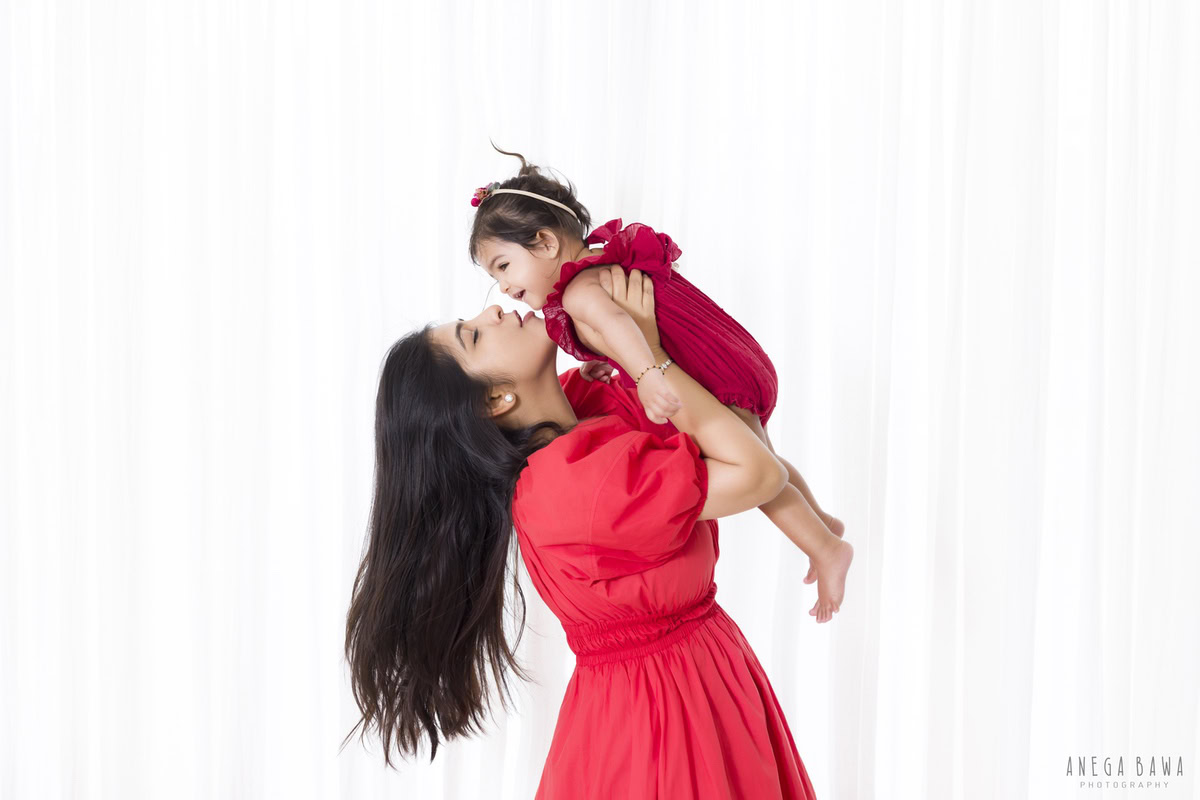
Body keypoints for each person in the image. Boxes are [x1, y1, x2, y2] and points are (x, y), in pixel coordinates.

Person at [343, 264, 819, 798]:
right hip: (666, 716)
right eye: (474, 335)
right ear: (497, 400)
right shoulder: (573, 487)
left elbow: (720, 416)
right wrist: (649, 356)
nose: (494, 308)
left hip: (699, 678)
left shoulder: (579, 414)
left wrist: (635, 349)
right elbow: (758, 472)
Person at [467, 145, 852, 623]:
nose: (502, 288)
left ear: (545, 243)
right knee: (763, 452)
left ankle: (824, 545)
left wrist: (647, 373)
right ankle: (822, 524)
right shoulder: (602, 263)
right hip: (727, 354)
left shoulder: (580, 290)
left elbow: (622, 326)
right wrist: (604, 361)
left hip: (702, 370)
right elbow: (617, 332)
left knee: (761, 473)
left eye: (503, 266)